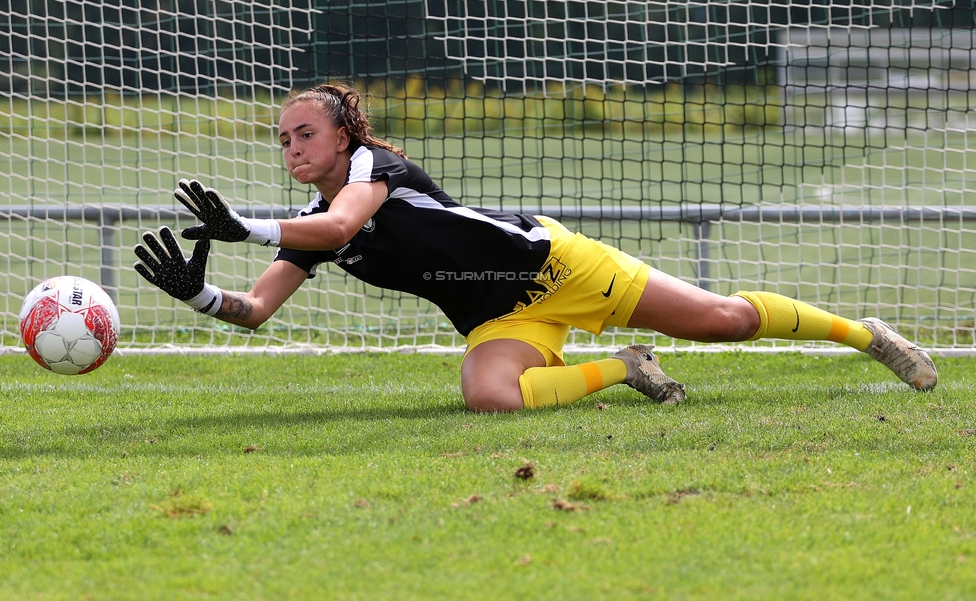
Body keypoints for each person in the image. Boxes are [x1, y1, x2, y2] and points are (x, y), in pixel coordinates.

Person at [133, 83, 938, 413]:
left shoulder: (377, 169)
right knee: (491, 398)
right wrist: (198, 295)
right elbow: (256, 311)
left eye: (304, 133)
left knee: (722, 320)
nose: (292, 147)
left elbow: (343, 225)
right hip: (499, 314)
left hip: (557, 266)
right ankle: (625, 368)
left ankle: (867, 334)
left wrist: (248, 227)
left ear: (347, 134)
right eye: (282, 140)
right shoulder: (309, 222)